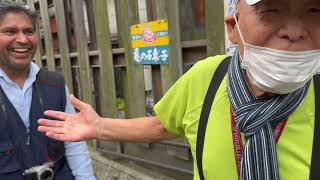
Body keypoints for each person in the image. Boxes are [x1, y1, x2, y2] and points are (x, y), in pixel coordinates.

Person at [37, 0, 320, 179]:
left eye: (314, 11)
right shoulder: (207, 78)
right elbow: (163, 126)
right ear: (233, 26)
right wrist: (100, 127)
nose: (294, 30)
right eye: (271, 10)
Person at [0, 1, 95, 180]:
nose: (22, 39)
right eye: (10, 31)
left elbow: (73, 143)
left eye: (29, 31)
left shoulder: (54, 83)